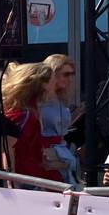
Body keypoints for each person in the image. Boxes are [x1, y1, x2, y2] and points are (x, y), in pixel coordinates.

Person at [0, 62, 60, 181]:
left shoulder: (30, 112)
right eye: (52, 81)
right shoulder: (24, 116)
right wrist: (10, 183)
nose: (55, 85)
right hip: (22, 181)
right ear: (40, 85)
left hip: (28, 178)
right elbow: (7, 149)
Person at [40, 54, 79, 184]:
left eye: (71, 74)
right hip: (46, 155)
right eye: (66, 74)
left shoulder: (61, 99)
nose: (70, 79)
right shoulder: (40, 100)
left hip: (62, 154)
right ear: (53, 74)